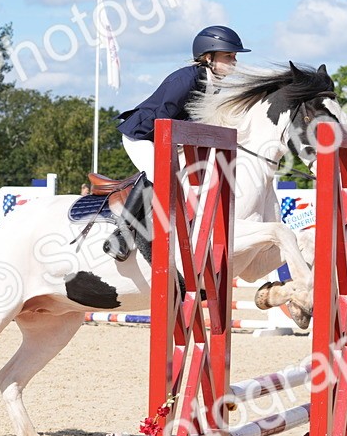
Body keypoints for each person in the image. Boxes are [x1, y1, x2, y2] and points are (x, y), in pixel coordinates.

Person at [106, 25, 250, 261]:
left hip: (167, 136)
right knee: (158, 174)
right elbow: (165, 120)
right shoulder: (185, 79)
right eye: (229, 56)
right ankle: (120, 234)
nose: (234, 61)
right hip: (142, 135)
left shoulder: (213, 81)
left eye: (234, 56)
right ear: (208, 57)